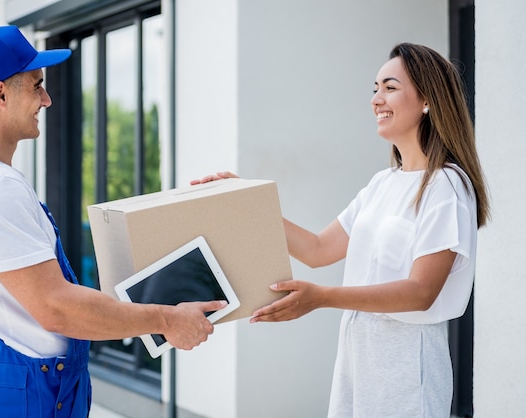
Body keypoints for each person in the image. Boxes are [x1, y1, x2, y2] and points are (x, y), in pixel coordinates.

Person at [0, 25, 226, 418]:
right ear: (0, 94)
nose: (47, 99)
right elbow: (57, 307)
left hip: (28, 387)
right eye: (36, 85)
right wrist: (166, 318)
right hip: (34, 396)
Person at [192, 42, 489, 417]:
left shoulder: (446, 186)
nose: (376, 99)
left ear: (427, 99)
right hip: (357, 354)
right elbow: (318, 249)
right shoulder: (383, 183)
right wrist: (245, 202)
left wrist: (321, 297)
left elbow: (421, 292)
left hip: (406, 363)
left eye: (390, 87)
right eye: (375, 88)